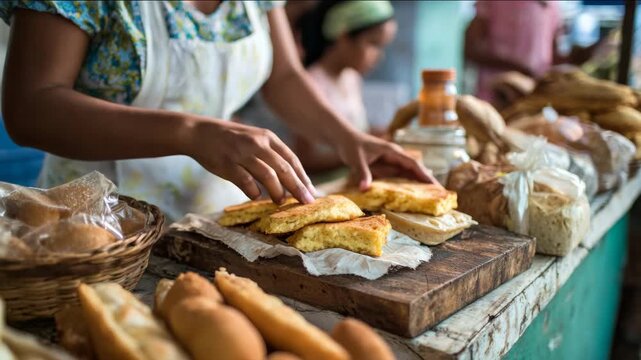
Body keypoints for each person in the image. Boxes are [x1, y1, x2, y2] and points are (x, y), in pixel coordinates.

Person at [0, 1, 435, 221]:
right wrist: (190, 132)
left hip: (214, 221)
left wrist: (347, 137)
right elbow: (30, 106)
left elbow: (282, 76)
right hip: (98, 229)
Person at [239, 0, 397, 175]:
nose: (380, 56)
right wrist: (355, 152)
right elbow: (306, 159)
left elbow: (356, 128)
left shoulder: (351, 79)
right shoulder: (311, 84)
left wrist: (376, 138)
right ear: (343, 37)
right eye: (374, 44)